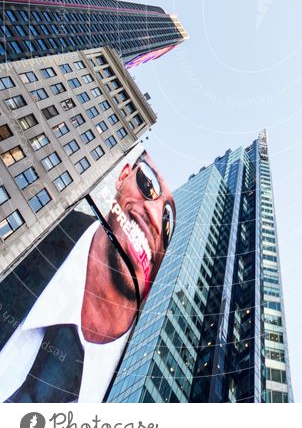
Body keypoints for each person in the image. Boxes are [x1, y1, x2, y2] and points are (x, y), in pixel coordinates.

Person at [0, 153, 175, 403]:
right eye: (149, 185)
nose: (157, 219)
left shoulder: (117, 381)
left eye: (167, 222)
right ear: (124, 174)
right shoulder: (47, 227)